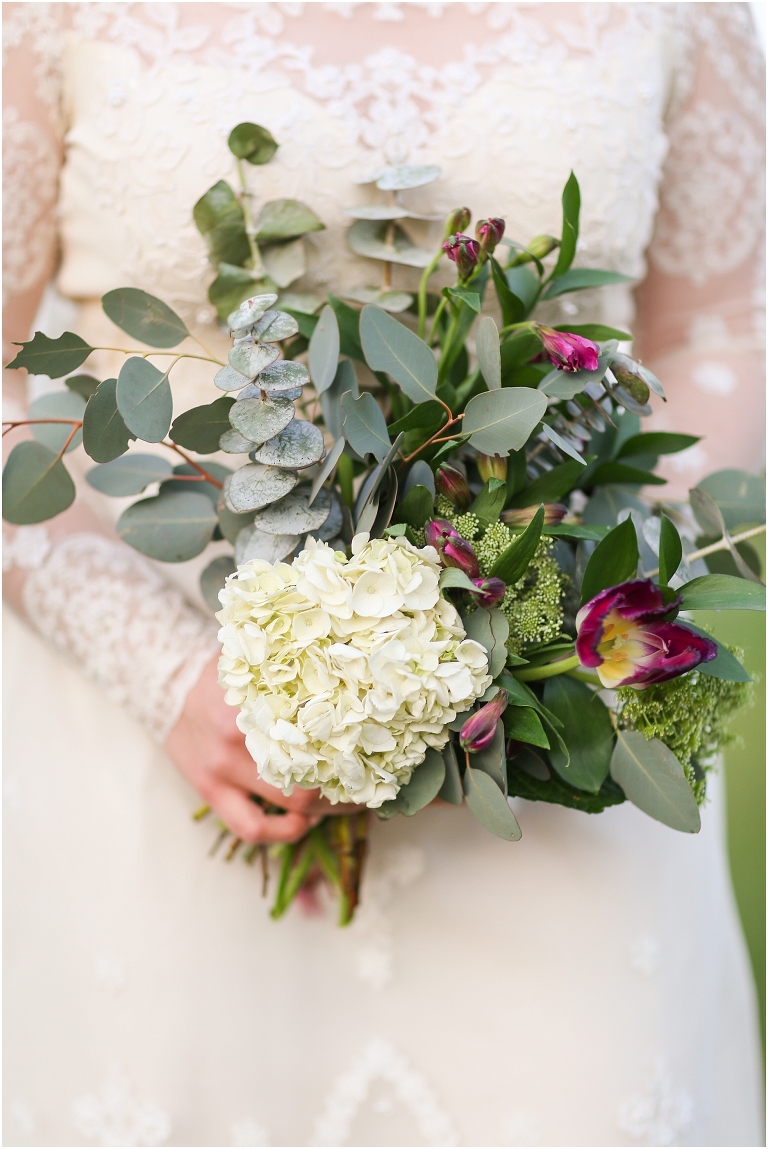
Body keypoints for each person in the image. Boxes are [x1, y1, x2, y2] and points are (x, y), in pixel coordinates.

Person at [3, 4, 764, 1145]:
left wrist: (559, 611)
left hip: (553, 761)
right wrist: (161, 673)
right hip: (153, 745)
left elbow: (724, 326)